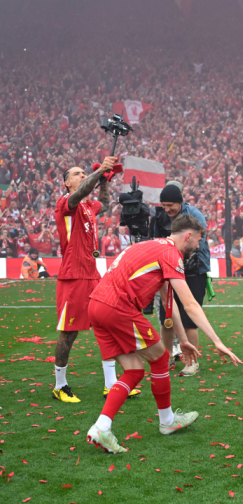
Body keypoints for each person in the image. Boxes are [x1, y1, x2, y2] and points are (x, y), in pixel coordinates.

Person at [86, 215, 242, 453]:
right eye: (199, 241)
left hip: (97, 306)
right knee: (160, 359)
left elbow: (171, 303)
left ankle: (102, 427)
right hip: (118, 307)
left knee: (135, 370)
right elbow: (190, 304)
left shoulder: (151, 247)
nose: (199, 247)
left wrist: (186, 340)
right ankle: (167, 422)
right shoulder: (172, 254)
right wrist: (218, 342)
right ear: (187, 236)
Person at [53, 157, 133, 403]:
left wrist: (105, 180)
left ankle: (111, 384)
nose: (81, 175)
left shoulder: (89, 206)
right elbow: (84, 190)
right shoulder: (67, 202)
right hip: (72, 275)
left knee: (105, 324)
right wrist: (99, 173)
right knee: (70, 332)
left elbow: (105, 204)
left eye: (82, 173)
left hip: (92, 274)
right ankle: (60, 385)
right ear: (67, 182)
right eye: (76, 174)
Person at [152, 183, 211, 377]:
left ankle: (192, 362)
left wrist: (178, 256)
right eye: (164, 205)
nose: (167, 209)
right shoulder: (159, 216)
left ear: (180, 202)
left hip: (193, 272)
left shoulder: (194, 214)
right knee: (167, 319)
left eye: (170, 205)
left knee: (188, 320)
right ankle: (166, 358)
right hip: (168, 272)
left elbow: (199, 242)